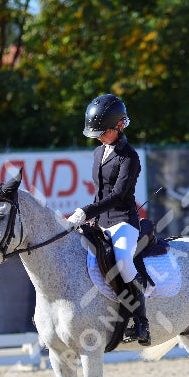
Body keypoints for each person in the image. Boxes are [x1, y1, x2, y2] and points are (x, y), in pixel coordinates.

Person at [67, 94, 150, 346]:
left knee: (123, 261)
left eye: (103, 132)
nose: (99, 137)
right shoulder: (97, 152)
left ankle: (142, 322)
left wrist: (86, 211)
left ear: (118, 127)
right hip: (100, 220)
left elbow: (117, 196)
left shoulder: (130, 157)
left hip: (123, 220)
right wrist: (93, 218)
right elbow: (100, 190)